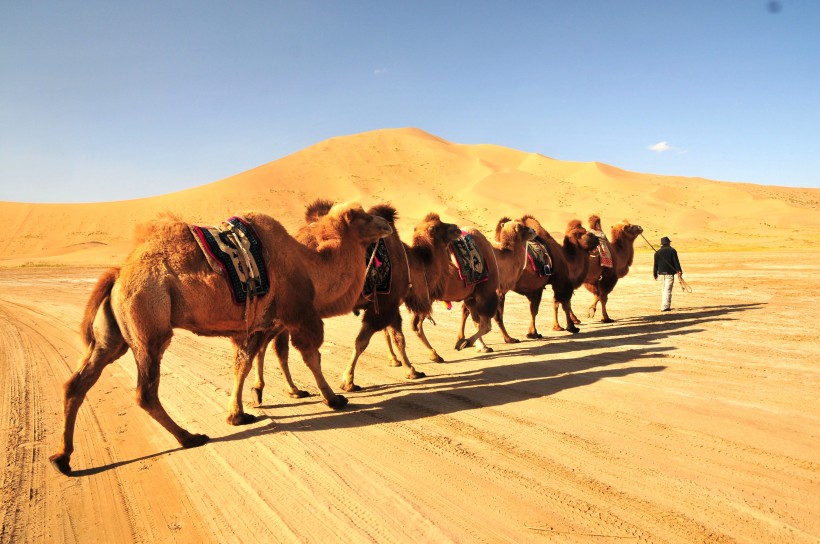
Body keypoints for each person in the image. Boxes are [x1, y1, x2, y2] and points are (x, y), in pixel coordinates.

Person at [653, 236, 683, 311]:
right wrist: (679, 270)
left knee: (664, 290)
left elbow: (655, 265)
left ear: (662, 244)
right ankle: (665, 307)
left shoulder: (657, 253)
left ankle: (665, 305)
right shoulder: (672, 250)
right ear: (668, 243)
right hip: (669, 274)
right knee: (667, 290)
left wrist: (655, 274)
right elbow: (676, 262)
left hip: (660, 274)